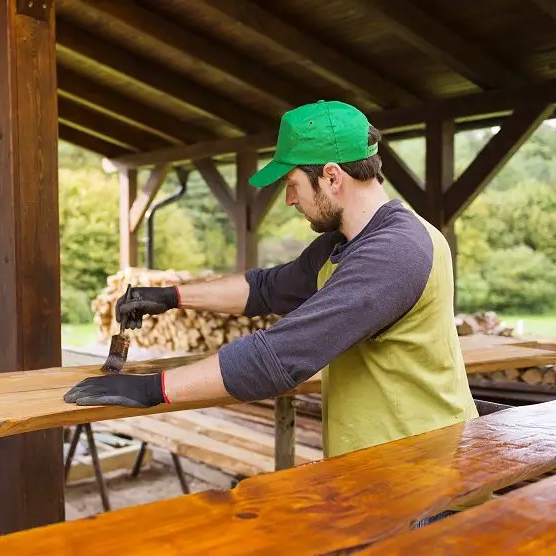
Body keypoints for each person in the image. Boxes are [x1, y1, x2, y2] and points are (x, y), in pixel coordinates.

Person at [64, 99, 479, 463]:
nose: (289, 199)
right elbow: (266, 288)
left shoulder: (393, 253)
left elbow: (279, 357)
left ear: (332, 177)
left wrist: (152, 389)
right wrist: (171, 296)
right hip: (382, 464)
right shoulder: (346, 242)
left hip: (425, 471)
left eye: (292, 184)